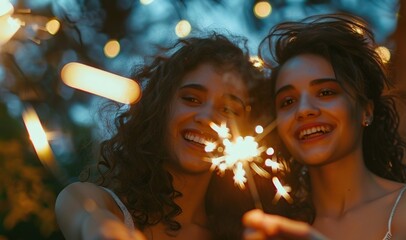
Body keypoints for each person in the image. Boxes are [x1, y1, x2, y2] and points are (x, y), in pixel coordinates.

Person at [243, 13, 406, 240]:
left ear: (366, 111)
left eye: (325, 92)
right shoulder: (273, 225)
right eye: (288, 101)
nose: (303, 110)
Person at [55, 33, 264, 239]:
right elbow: (92, 221)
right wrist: (108, 231)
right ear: (161, 107)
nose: (207, 117)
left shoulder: (247, 232)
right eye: (192, 99)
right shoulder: (94, 202)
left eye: (228, 110)